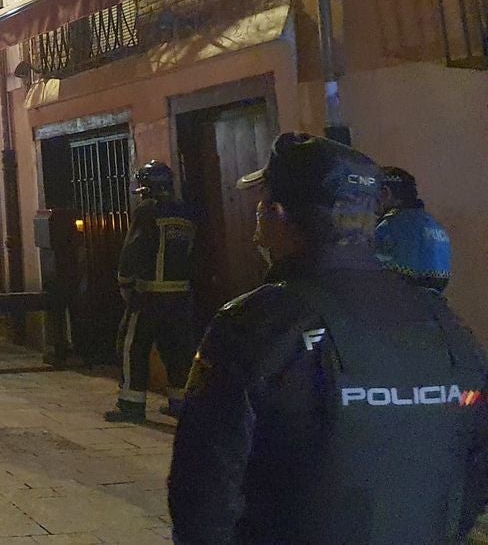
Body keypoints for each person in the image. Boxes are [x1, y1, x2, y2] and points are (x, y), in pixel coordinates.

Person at [168, 133, 488, 545]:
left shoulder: (254, 325)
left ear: (275, 213)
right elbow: (477, 466)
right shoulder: (444, 323)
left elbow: (205, 489)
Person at [104, 160, 198, 423]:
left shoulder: (147, 212)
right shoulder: (186, 213)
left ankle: (131, 405)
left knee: (132, 346)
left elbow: (132, 250)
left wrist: (125, 283)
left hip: (148, 295)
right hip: (181, 295)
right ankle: (180, 403)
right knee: (178, 349)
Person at [375, 165, 452, 292]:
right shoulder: (433, 223)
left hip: (399, 302)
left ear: (385, 193)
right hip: (434, 304)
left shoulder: (390, 225)